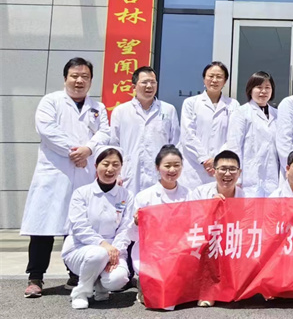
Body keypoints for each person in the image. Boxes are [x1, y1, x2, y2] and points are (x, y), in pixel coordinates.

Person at [20, 57, 110, 298]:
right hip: (55, 171)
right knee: (43, 226)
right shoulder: (51, 101)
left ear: (91, 80)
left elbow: (105, 133)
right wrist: (76, 151)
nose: (79, 81)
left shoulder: (98, 108)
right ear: (65, 78)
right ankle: (35, 277)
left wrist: (88, 150)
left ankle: (75, 275)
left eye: (85, 77)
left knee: (78, 226)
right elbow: (47, 130)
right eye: (75, 76)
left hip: (83, 173)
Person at [61, 146, 132, 309]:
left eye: (115, 165)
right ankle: (81, 292)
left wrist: (114, 252)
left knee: (118, 279)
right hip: (80, 249)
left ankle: (101, 286)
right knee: (98, 254)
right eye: (105, 164)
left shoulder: (126, 196)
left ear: (121, 167)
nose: (110, 169)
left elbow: (126, 228)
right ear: (96, 166)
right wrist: (104, 246)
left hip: (114, 250)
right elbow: (79, 226)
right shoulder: (81, 193)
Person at [109, 66, 180, 196]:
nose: (149, 86)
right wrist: (116, 173)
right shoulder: (121, 111)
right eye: (144, 82)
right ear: (134, 87)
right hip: (129, 176)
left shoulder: (168, 110)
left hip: (159, 175)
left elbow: (175, 143)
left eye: (153, 82)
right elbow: (114, 145)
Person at [187, 150, 244, 309]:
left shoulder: (245, 197)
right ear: (214, 171)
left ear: (239, 173)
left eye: (232, 169)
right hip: (207, 243)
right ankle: (208, 292)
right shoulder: (200, 193)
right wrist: (209, 209)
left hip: (232, 245)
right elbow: (191, 223)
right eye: (223, 169)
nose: (228, 173)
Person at [128, 146, 189, 291]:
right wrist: (136, 223)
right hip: (153, 252)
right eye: (167, 166)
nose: (172, 170)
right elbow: (131, 236)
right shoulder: (144, 197)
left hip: (181, 250)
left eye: (177, 165)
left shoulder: (189, 194)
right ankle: (145, 285)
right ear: (157, 167)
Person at [178, 62, 239, 190]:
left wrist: (217, 159)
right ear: (204, 79)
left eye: (219, 77)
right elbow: (188, 135)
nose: (214, 80)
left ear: (225, 81)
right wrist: (204, 159)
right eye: (211, 76)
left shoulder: (233, 105)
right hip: (194, 166)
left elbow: (233, 137)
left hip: (220, 167)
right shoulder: (191, 103)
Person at [225, 71, 281, 198]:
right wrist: (237, 177)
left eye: (267, 87)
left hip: (272, 177)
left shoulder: (277, 114)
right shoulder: (241, 113)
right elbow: (234, 146)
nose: (263, 91)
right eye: (259, 87)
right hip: (249, 177)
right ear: (250, 89)